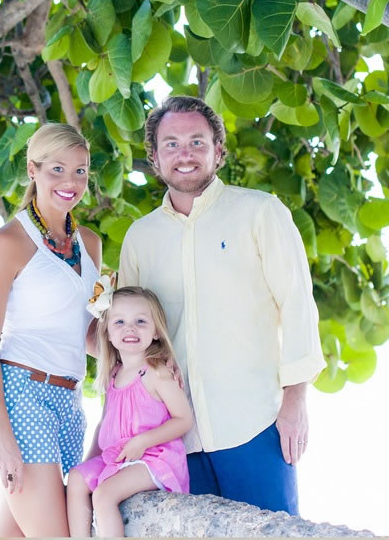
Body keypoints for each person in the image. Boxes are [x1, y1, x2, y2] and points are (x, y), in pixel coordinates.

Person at [118, 96, 326, 515]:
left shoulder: (261, 212)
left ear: (219, 150)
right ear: (155, 159)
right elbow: (130, 337)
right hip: (172, 439)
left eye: (197, 141)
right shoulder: (140, 238)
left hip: (256, 424)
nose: (185, 154)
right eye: (171, 144)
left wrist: (296, 400)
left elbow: (297, 304)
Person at [0, 123, 102, 537]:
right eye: (57, 170)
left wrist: (142, 354)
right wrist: (1, 437)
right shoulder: (7, 242)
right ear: (33, 169)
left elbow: (86, 334)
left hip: (69, 400)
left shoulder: (90, 243)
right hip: (21, 394)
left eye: (80, 171)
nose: (70, 182)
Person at [67, 285, 192, 537]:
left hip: (154, 458)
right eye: (120, 321)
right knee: (76, 478)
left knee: (104, 495)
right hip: (119, 457)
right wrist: (90, 460)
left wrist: (143, 441)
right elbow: (105, 425)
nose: (130, 328)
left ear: (156, 332)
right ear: (108, 333)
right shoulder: (113, 375)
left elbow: (184, 420)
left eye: (141, 321)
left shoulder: (156, 371)